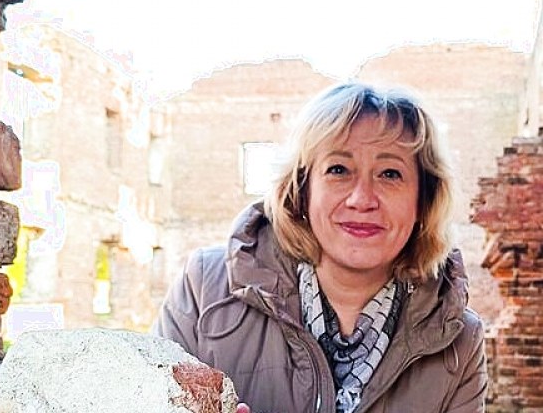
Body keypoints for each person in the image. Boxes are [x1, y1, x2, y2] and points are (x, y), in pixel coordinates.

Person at [154, 82, 487, 412]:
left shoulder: (458, 341)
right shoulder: (204, 289)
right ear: (302, 191)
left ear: (424, 200)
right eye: (338, 170)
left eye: (389, 174)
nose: (362, 199)